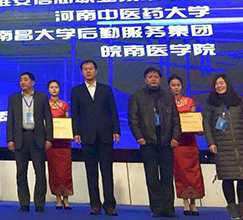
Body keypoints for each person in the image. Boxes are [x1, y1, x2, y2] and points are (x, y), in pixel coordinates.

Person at [128, 67, 181, 218]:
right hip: (147, 143)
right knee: (152, 178)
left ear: (160, 79)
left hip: (166, 142)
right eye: (150, 76)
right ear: (145, 79)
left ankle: (169, 209)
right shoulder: (137, 96)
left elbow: (176, 119)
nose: (153, 79)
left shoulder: (168, 96)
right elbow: (133, 119)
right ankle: (157, 209)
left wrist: (175, 137)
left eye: (156, 76)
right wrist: (139, 137)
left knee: (167, 177)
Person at [71, 60, 120, 216]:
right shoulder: (77, 91)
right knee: (91, 173)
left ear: (96, 71)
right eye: (85, 69)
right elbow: (75, 114)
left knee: (107, 172)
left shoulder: (106, 89)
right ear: (82, 72)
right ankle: (95, 205)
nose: (88, 71)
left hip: (105, 136)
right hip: (87, 137)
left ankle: (110, 205)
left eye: (91, 68)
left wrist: (116, 130)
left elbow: (113, 111)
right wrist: (76, 132)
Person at [7, 72, 53, 213]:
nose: (23, 82)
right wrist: (10, 139)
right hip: (20, 138)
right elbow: (10, 120)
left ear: (32, 82)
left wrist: (49, 139)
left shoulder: (41, 97)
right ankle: (24, 203)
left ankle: (39, 204)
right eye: (21, 80)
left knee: (40, 173)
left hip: (37, 138)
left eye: (26, 80)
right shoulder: (14, 98)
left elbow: (48, 119)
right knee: (21, 174)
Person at [202, 74, 243, 220]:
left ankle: (242, 208)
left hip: (240, 145)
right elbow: (206, 125)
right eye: (216, 84)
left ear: (227, 84)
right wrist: (210, 142)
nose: (219, 86)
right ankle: (232, 209)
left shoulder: (238, 101)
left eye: (221, 83)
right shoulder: (211, 104)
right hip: (222, 147)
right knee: (227, 178)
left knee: (241, 178)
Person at [168, 74, 205, 216]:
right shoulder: (167, 102)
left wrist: (199, 129)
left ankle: (193, 202)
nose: (176, 88)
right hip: (176, 142)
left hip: (190, 142)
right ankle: (185, 203)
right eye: (173, 85)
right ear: (169, 87)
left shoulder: (190, 101)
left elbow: (194, 120)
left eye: (178, 85)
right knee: (180, 172)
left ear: (182, 86)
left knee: (193, 172)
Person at [46, 79, 73, 210]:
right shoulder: (45, 105)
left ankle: (66, 198)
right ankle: (57, 198)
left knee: (66, 171)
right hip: (51, 143)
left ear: (59, 89)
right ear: (48, 90)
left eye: (56, 87)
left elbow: (67, 121)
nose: (54, 89)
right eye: (52, 87)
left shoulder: (65, 105)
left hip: (64, 143)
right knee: (54, 171)